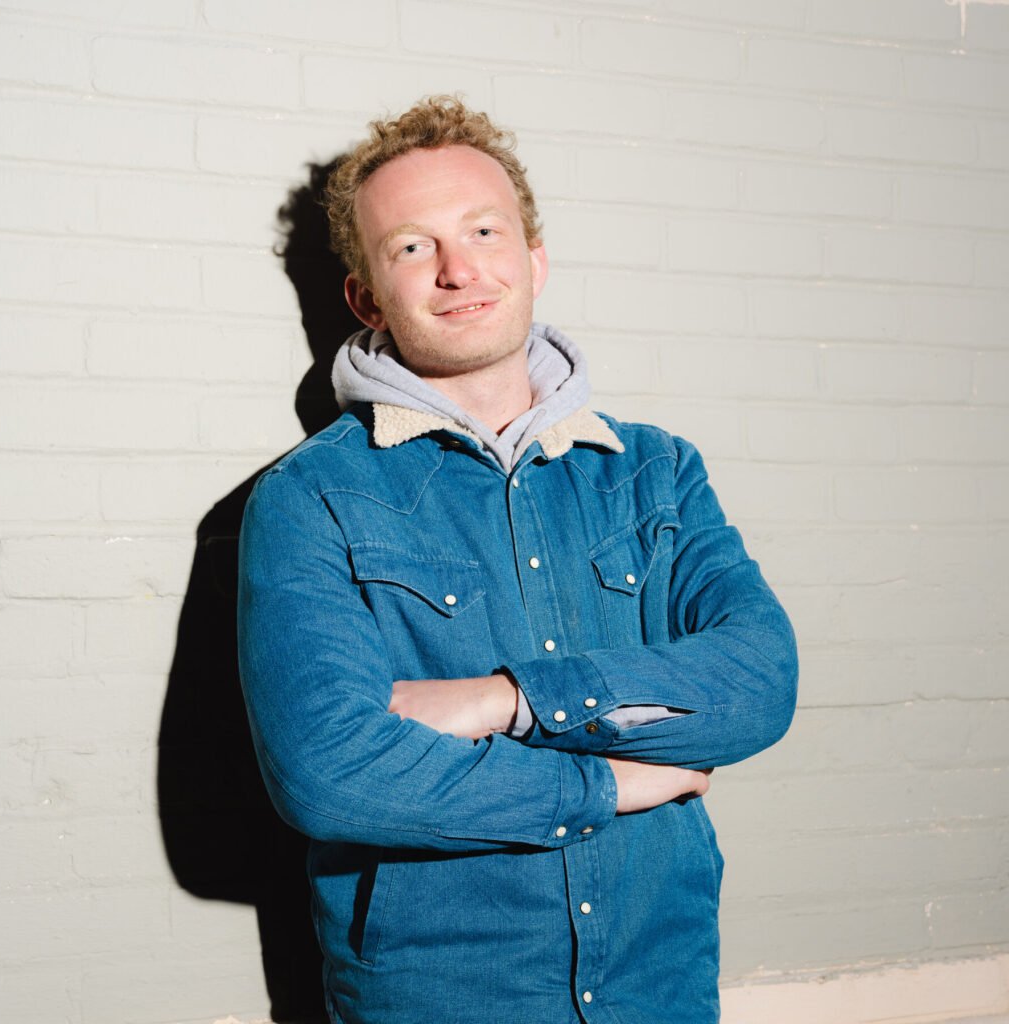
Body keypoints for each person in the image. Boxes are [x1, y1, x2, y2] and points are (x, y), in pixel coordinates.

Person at [237, 95, 797, 1024]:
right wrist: (608, 784)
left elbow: (760, 681)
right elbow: (329, 770)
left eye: (484, 231)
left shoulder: (656, 472)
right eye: (412, 245)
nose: (458, 269)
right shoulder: (311, 497)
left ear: (533, 260)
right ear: (367, 297)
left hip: (659, 985)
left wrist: (505, 699)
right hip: (442, 998)